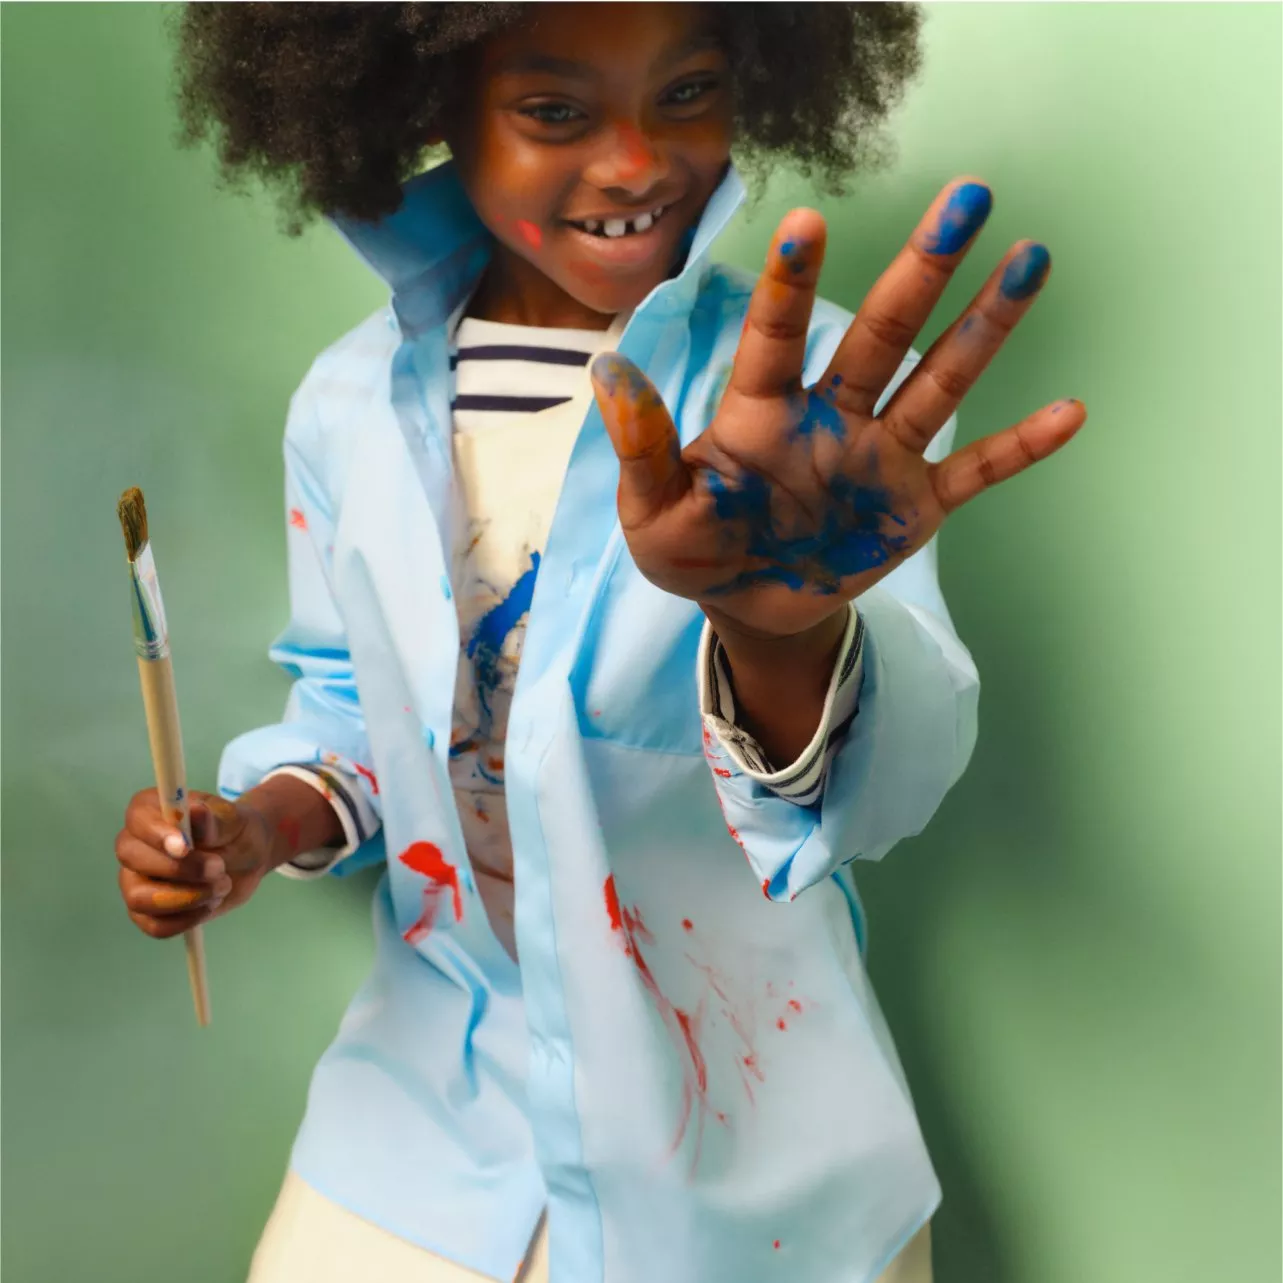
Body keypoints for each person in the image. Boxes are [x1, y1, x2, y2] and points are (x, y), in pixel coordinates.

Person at [114, 5, 1084, 1281]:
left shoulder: (821, 418)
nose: (635, 164)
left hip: (743, 1156)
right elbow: (351, 716)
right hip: (417, 1132)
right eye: (556, 111)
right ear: (427, 101)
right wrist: (257, 825)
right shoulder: (344, 407)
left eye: (685, 93)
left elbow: (877, 791)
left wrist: (775, 626)